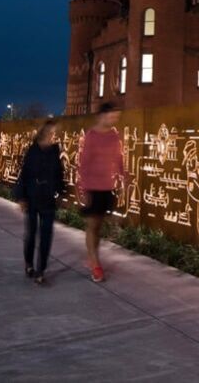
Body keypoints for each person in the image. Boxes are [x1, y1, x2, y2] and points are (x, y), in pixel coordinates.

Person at [77, 102, 127, 283]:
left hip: (108, 187)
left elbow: (119, 156)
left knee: (98, 226)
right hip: (92, 187)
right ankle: (95, 264)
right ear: (102, 116)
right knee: (92, 225)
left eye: (117, 117)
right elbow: (84, 164)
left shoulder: (114, 135)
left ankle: (92, 258)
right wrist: (83, 189)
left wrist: (123, 176)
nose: (115, 120)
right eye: (112, 116)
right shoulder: (91, 136)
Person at [14, 120, 64, 286]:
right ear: (46, 134)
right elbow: (24, 174)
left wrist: (59, 191)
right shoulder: (33, 151)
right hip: (32, 197)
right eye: (52, 133)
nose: (54, 136)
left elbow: (59, 174)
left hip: (48, 199)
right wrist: (21, 197)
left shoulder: (55, 151)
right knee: (31, 234)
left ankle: (40, 270)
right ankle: (29, 263)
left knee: (46, 236)